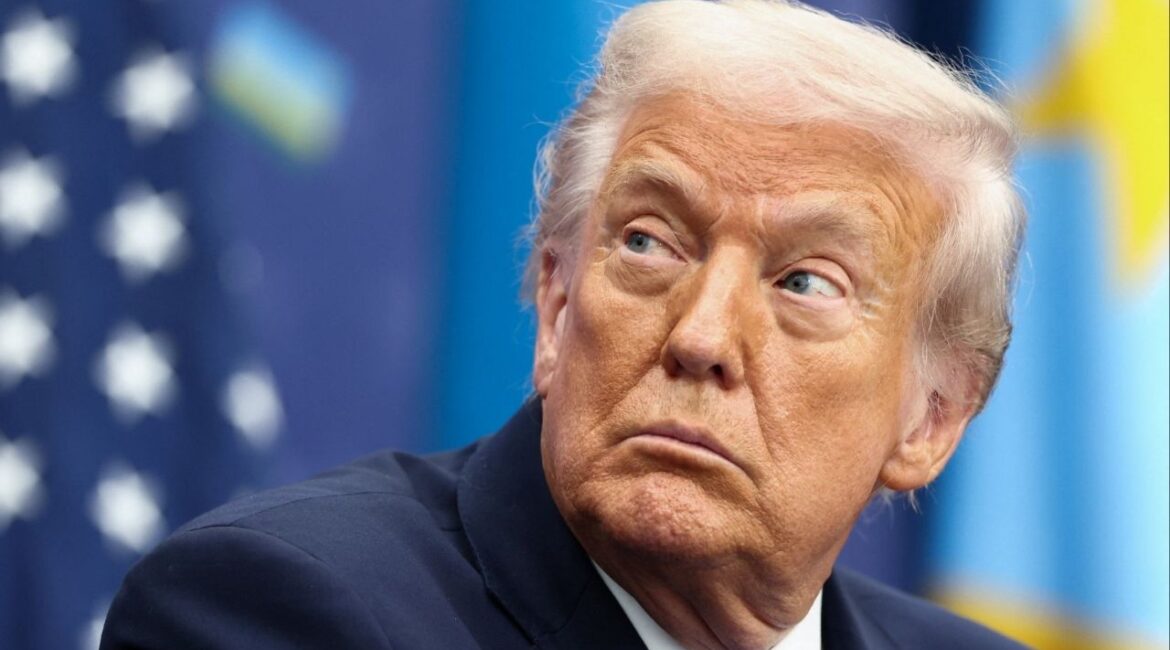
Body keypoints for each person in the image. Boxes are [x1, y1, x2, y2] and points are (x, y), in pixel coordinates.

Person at [100, 1, 1028, 648]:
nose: (701, 339)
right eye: (649, 242)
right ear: (556, 304)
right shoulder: (281, 612)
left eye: (805, 283)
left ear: (933, 417)